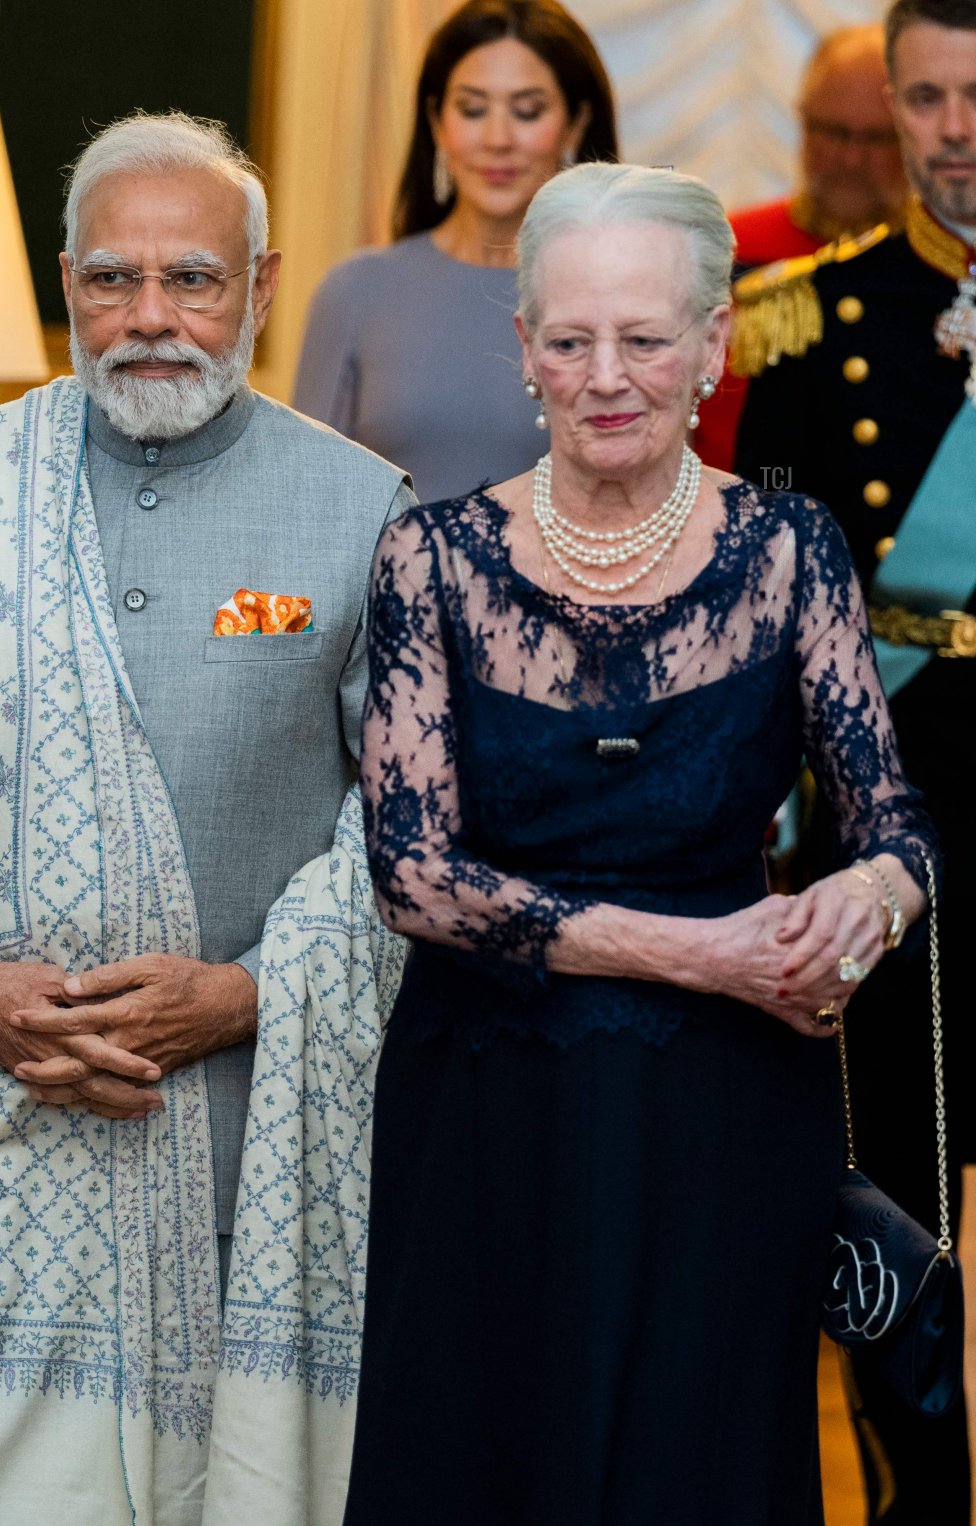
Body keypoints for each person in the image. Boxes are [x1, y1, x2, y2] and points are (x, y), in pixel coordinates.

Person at [0, 111, 411, 1525]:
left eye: (192, 279)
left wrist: (247, 993)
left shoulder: (360, 511)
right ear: (67, 282)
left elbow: (409, 828)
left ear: (260, 286)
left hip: (242, 1148)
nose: (149, 319)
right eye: (112, 279)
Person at [342, 162, 937, 1526]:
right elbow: (410, 872)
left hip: (725, 1117)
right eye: (570, 341)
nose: (606, 377)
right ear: (524, 348)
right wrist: (697, 953)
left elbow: (897, 823)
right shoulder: (431, 558)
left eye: (645, 339)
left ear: (713, 342)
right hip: (489, 1105)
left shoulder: (791, 551)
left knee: (697, 1466)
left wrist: (871, 898)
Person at [735, 2, 976, 1518]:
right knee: (898, 1189)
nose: (961, 131)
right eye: (930, 98)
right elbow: (764, 597)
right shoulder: (811, 318)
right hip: (896, 808)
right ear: (891, 105)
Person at [292, 0, 617, 502]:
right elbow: (303, 497)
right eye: (472, 109)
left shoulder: (615, 296)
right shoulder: (355, 292)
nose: (497, 139)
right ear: (436, 121)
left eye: (528, 111)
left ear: (576, 123)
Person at [697, 23, 907, 469]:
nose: (851, 158)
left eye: (876, 138)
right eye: (833, 132)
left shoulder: (941, 264)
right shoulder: (722, 249)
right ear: (802, 120)